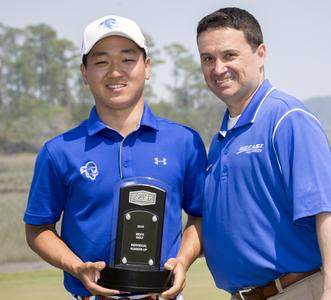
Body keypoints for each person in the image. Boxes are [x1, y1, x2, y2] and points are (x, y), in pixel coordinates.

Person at [24, 15, 206, 300]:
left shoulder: (185, 142)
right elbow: (37, 228)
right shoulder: (58, 150)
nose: (115, 72)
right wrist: (76, 267)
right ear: (84, 73)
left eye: (127, 60)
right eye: (101, 62)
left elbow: (201, 216)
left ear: (146, 67)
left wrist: (182, 260)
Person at [196, 7, 331, 300]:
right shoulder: (222, 138)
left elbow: (326, 210)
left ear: (261, 54)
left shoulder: (287, 118)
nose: (218, 68)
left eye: (229, 55)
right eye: (208, 59)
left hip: (300, 290)